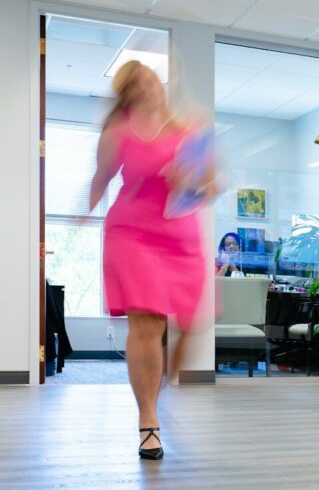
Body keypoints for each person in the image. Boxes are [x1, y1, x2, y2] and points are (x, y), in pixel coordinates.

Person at [89, 60, 215, 461]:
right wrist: (85, 209)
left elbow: (212, 184)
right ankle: (148, 422)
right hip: (133, 234)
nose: (148, 89)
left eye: (152, 82)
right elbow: (102, 177)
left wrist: (190, 180)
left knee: (191, 323)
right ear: (126, 94)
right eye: (138, 84)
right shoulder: (118, 133)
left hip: (180, 237)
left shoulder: (188, 129)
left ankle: (157, 383)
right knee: (146, 322)